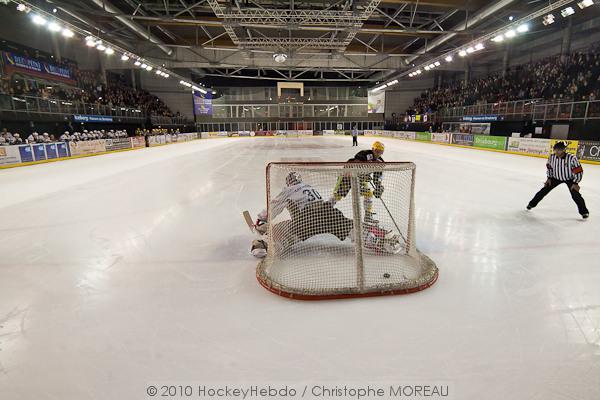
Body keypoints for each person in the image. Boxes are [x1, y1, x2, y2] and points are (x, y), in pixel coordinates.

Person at [251, 171, 354, 258]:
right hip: (328, 216)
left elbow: (274, 206)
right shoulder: (309, 187)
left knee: (286, 233)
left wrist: (262, 218)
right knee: (349, 227)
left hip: (306, 221)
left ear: (288, 182)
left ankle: (264, 245)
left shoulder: (289, 190)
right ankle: (366, 237)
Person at [527, 141, 589, 219]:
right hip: (555, 178)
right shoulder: (552, 157)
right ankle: (531, 204)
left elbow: (578, 171)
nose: (556, 152)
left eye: (559, 150)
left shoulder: (572, 158)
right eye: (555, 150)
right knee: (544, 190)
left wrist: (575, 183)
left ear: (564, 150)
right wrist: (549, 178)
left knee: (575, 195)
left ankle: (584, 212)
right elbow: (549, 168)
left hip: (570, 179)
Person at [330, 141, 385, 223]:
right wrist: (362, 172)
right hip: (347, 176)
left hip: (360, 179)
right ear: (373, 149)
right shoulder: (365, 154)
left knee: (368, 194)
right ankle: (326, 208)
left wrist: (378, 186)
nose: (378, 154)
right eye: (377, 151)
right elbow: (355, 164)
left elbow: (377, 176)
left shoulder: (380, 162)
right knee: (337, 196)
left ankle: (368, 216)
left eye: (381, 152)